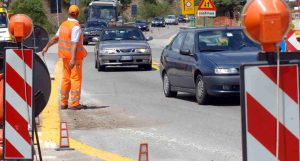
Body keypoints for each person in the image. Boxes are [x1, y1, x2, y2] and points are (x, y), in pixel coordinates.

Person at [42, 5, 87, 110]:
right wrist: (73, 59)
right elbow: (74, 44)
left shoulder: (63, 25)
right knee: (75, 78)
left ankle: (63, 103)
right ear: (77, 14)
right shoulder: (75, 26)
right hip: (74, 59)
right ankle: (75, 103)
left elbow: (55, 38)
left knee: (66, 79)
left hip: (64, 57)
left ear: (69, 13)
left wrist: (46, 47)